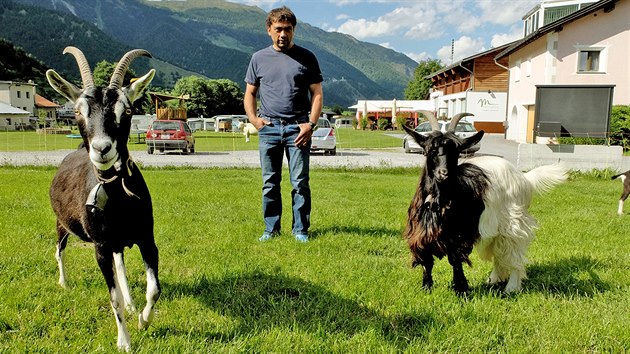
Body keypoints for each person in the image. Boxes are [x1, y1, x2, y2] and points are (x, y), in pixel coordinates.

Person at [244, 6, 323, 243]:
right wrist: (255, 121)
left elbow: (317, 94)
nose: (283, 34)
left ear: (293, 30)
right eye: (278, 29)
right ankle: (271, 229)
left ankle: (300, 230)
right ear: (269, 30)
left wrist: (310, 124)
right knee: (270, 183)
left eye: (287, 29)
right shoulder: (258, 58)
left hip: (298, 129)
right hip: (268, 129)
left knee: (300, 183)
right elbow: (249, 93)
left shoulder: (307, 57)